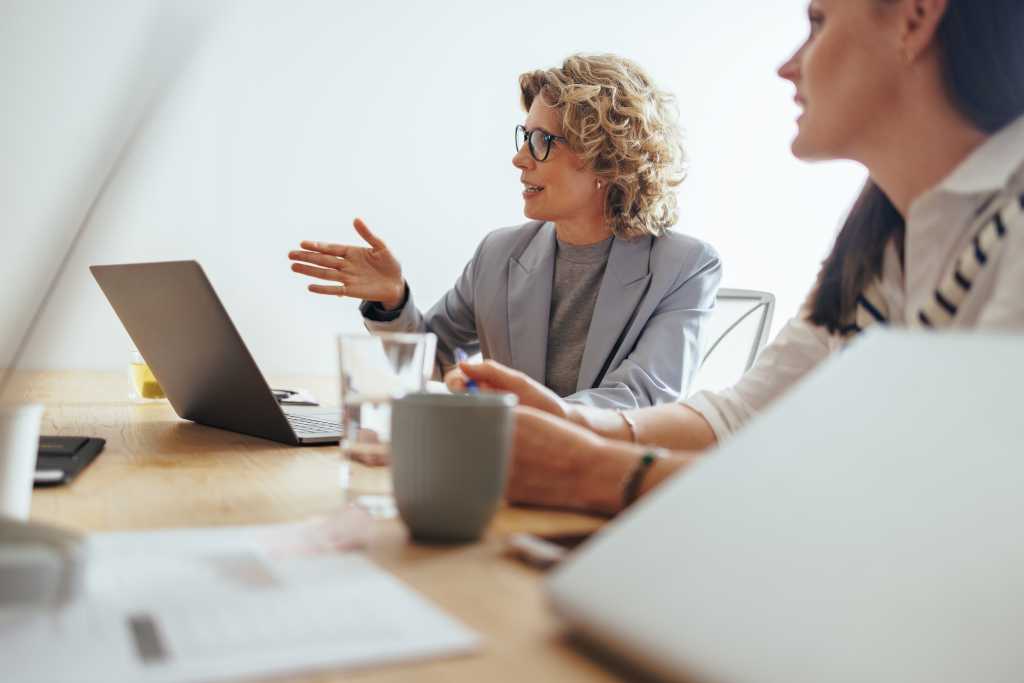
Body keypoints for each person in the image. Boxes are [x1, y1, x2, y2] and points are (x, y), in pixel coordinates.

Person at [457, 0, 1024, 515]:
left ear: (914, 18)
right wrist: (571, 422)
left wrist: (593, 469)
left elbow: (953, 506)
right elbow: (738, 415)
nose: (788, 66)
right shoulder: (881, 240)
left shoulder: (1007, 229)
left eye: (818, 23)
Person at [289, 54, 721, 417]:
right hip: (505, 472)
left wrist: (512, 412)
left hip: (605, 485)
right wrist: (391, 300)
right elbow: (434, 359)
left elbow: (643, 398)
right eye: (524, 136)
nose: (519, 159)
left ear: (606, 159)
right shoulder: (498, 253)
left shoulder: (684, 266)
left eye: (541, 141)